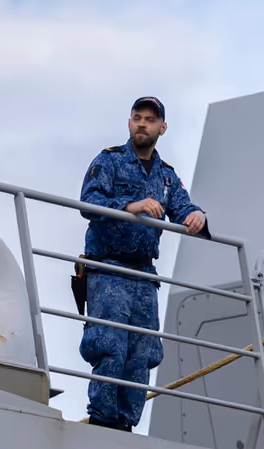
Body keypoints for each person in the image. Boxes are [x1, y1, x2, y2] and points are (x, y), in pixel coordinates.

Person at [78, 96, 208, 431]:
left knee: (142, 353)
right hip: (109, 268)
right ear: (129, 123)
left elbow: (184, 208)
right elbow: (89, 203)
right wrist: (131, 205)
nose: (142, 124)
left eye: (150, 120)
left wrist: (197, 216)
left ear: (162, 128)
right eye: (137, 117)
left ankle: (125, 424)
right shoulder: (109, 162)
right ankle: (102, 420)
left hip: (144, 274)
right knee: (110, 345)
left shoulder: (166, 177)